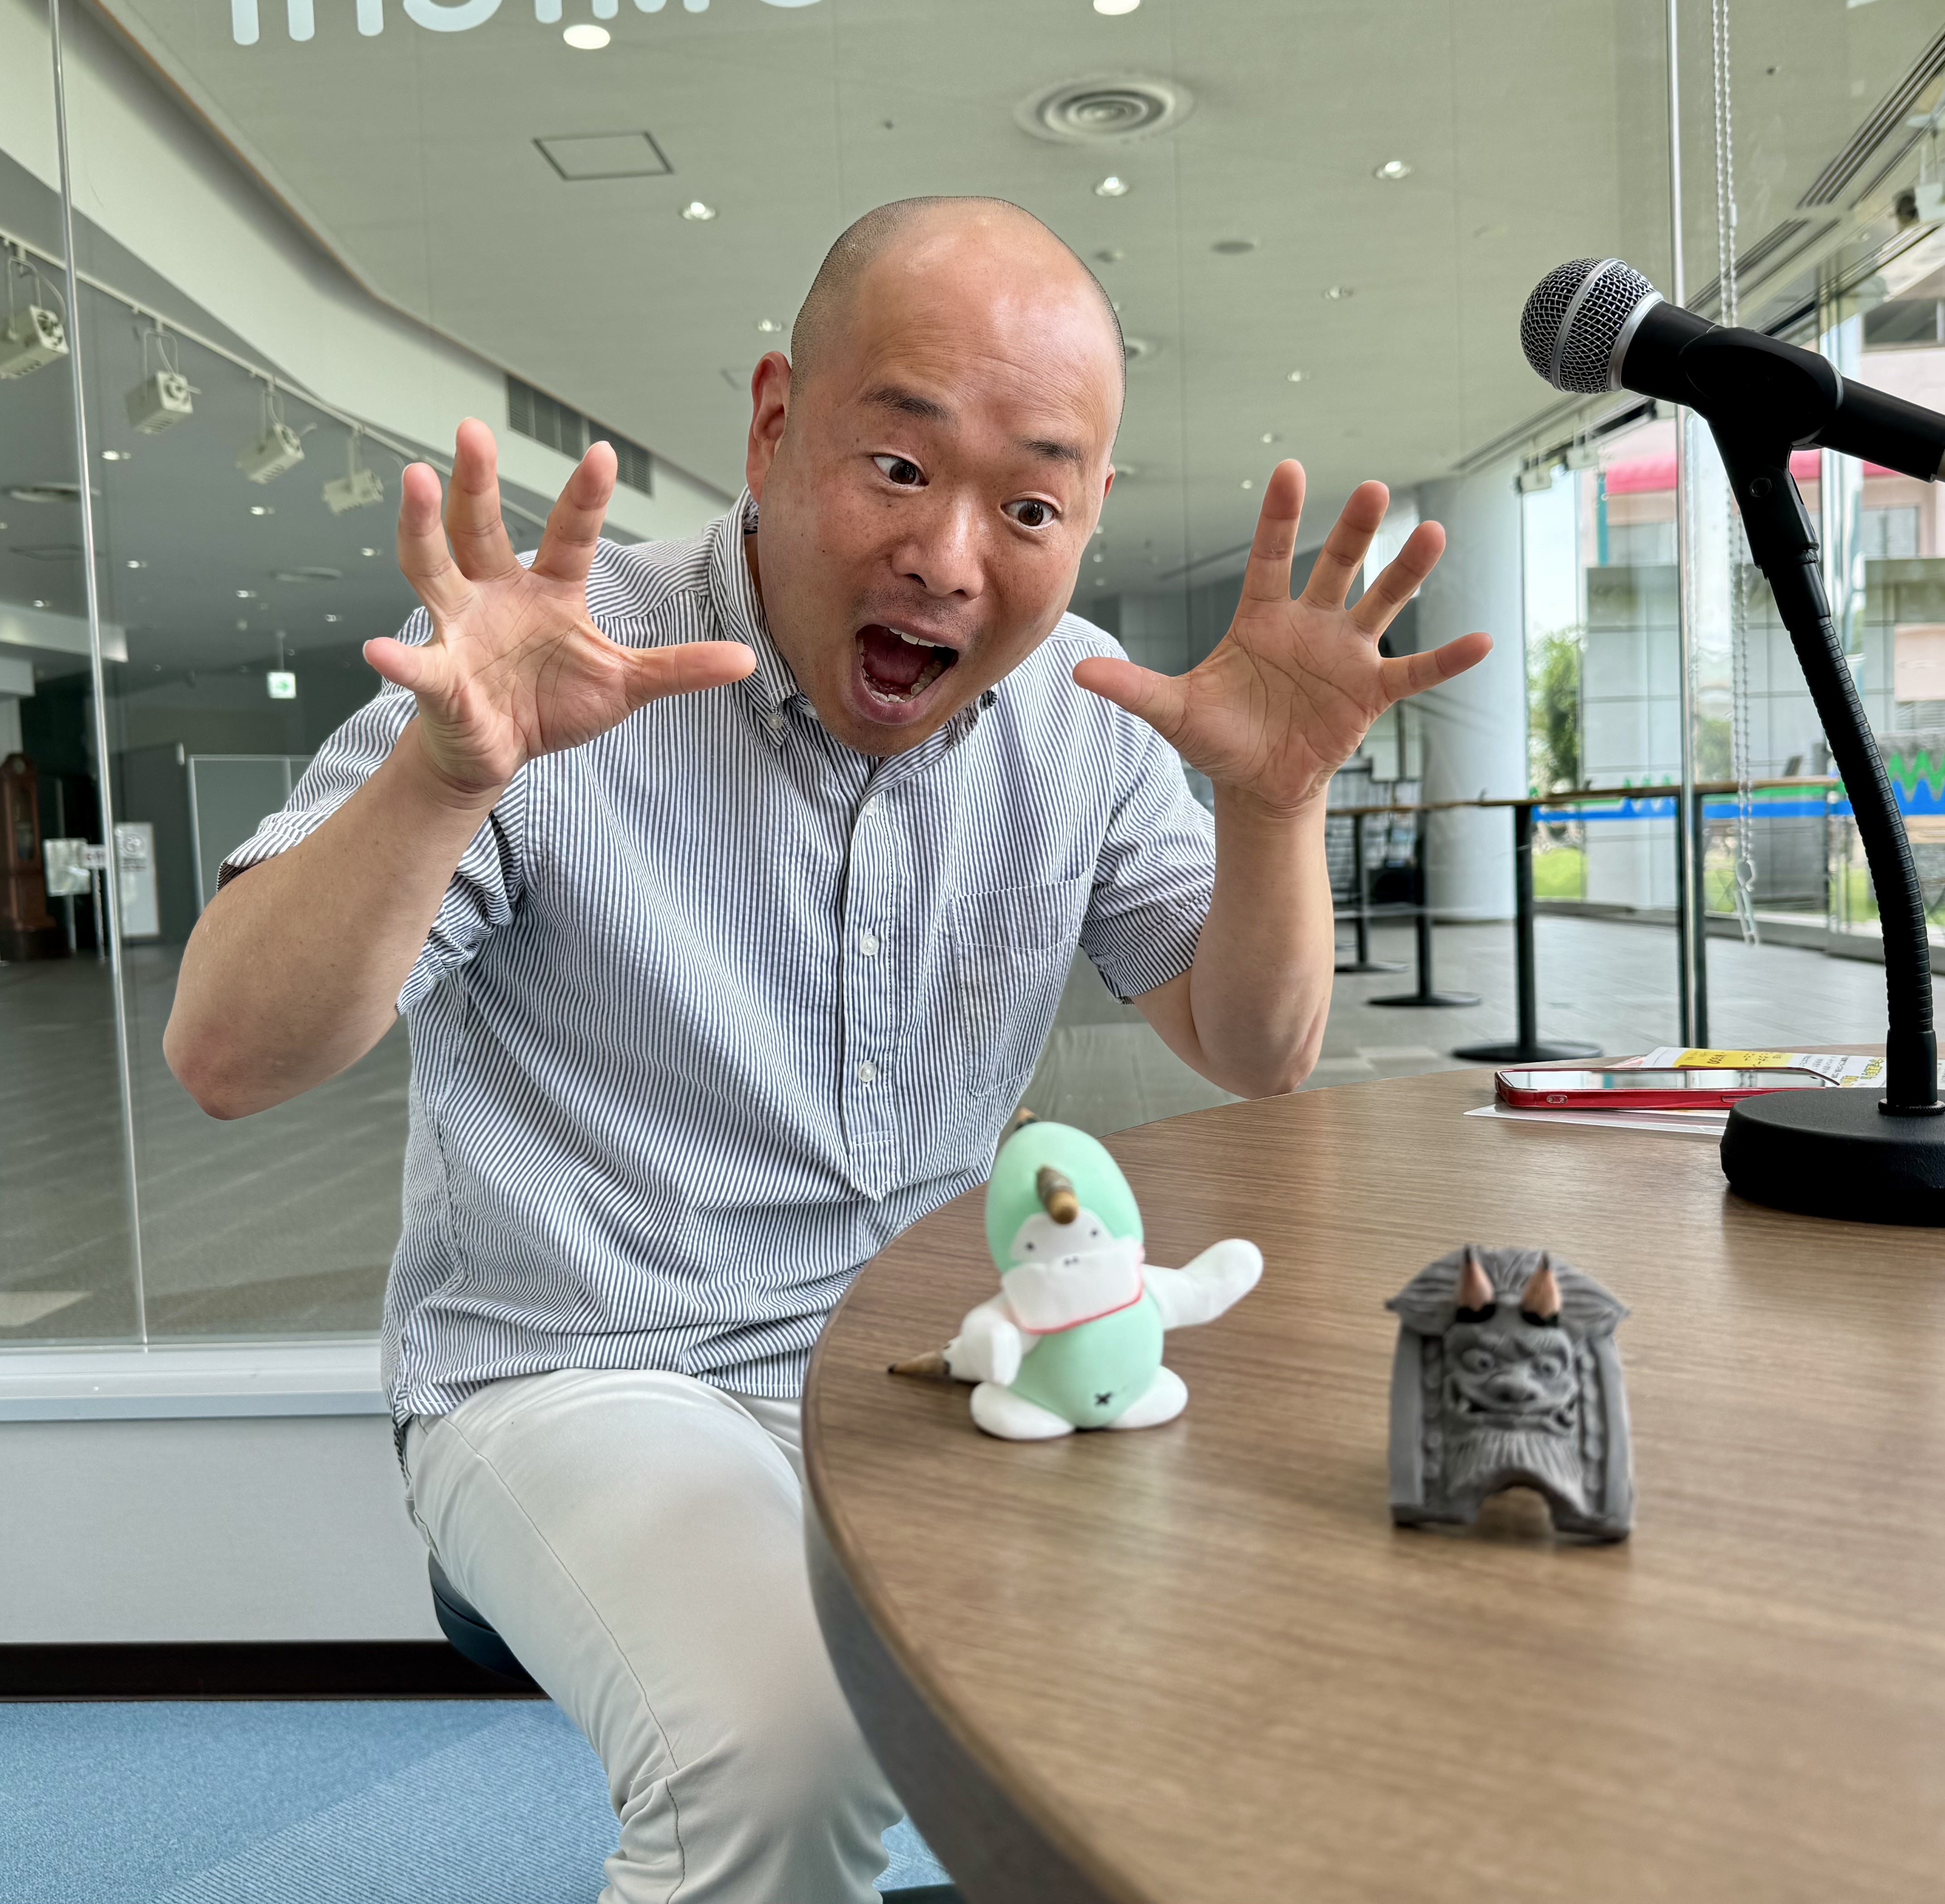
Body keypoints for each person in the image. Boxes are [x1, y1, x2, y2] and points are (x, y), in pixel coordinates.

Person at [163, 194, 1488, 1904]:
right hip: (577, 1361)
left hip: (924, 1360)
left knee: (1264, 1655)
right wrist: (441, 780)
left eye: (1029, 505)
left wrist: (1275, 806)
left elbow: (1257, 1045)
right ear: (777, 424)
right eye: (899, 465)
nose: (950, 556)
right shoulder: (563, 656)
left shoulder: (1083, 712)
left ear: (1090, 514)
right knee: (779, 1756)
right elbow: (226, 1054)